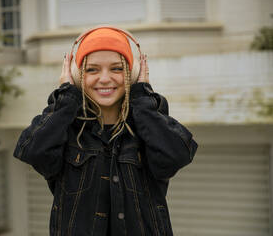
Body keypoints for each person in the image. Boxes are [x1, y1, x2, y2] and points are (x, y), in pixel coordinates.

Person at [13, 26, 198, 236]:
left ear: (132, 73)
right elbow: (33, 151)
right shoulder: (66, 128)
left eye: (117, 69)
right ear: (77, 74)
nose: (104, 78)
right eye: (92, 69)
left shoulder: (149, 124)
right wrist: (65, 98)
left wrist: (142, 98)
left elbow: (176, 156)